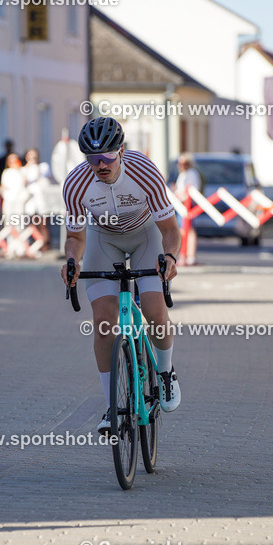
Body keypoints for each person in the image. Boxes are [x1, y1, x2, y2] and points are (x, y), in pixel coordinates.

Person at [60, 117, 182, 433]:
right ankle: (112, 407)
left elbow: (169, 229)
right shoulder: (76, 184)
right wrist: (72, 261)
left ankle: (166, 373)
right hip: (104, 239)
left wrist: (169, 257)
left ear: (121, 151)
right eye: (92, 159)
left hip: (145, 235)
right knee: (103, 323)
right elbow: (74, 237)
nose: (100, 165)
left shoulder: (144, 171)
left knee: (155, 310)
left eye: (107, 157)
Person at [22, 147, 55, 250]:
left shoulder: (43, 167)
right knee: (33, 222)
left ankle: (46, 244)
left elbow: (48, 179)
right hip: (31, 199)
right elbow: (24, 182)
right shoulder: (24, 169)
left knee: (43, 222)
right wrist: (28, 167)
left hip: (42, 199)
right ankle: (36, 243)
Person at [172, 152, 201, 265]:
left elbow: (192, 190)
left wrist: (180, 195)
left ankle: (189, 256)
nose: (180, 165)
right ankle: (185, 256)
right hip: (181, 205)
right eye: (179, 163)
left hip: (187, 204)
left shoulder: (191, 173)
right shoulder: (183, 174)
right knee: (184, 230)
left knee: (187, 230)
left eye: (183, 163)